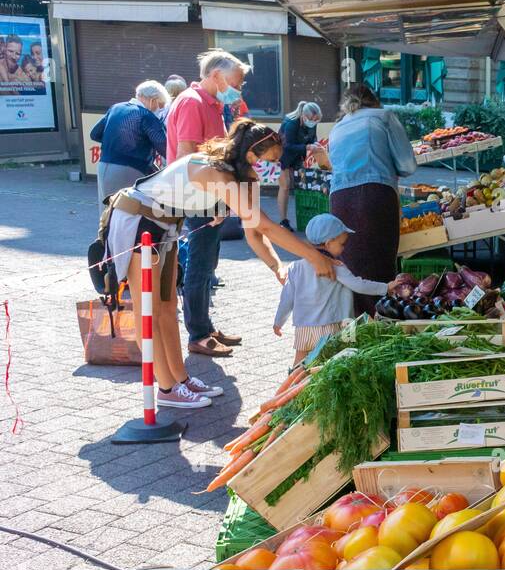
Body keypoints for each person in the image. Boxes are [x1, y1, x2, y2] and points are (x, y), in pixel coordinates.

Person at [103, 119, 338, 407]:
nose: (273, 168)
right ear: (252, 152)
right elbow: (264, 226)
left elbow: (253, 232)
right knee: (148, 310)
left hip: (165, 227)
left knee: (166, 308)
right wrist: (312, 255)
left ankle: (180, 379)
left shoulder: (245, 176)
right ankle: (166, 389)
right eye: (271, 160)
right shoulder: (214, 171)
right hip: (138, 221)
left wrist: (277, 266)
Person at [168, 48, 249, 357]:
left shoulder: (210, 104)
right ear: (216, 76)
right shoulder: (192, 102)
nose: (238, 89)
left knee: (207, 265)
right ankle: (199, 334)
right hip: (198, 198)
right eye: (236, 82)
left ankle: (204, 326)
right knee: (200, 267)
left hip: (208, 197)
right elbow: (187, 157)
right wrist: (209, 202)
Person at [327, 83, 416, 315]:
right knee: (379, 263)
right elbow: (407, 165)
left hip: (340, 201)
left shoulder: (337, 128)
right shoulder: (383, 116)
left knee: (352, 267)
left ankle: (355, 325)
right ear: (374, 100)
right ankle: (381, 322)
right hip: (375, 195)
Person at [274, 213, 388, 366]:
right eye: (342, 244)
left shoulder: (295, 267)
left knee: (299, 364)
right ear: (328, 243)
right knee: (334, 365)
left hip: (304, 327)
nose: (343, 248)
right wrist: (386, 287)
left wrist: (278, 322)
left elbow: (286, 298)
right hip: (333, 326)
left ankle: (291, 388)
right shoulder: (335, 266)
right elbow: (359, 285)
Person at [90, 80, 169, 204]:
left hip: (104, 165)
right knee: (126, 211)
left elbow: (94, 134)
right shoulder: (146, 116)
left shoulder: (116, 108)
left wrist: (115, 142)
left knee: (107, 211)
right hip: (130, 169)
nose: (161, 108)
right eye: (160, 104)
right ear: (152, 99)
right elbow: (165, 148)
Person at [277, 101, 322, 228]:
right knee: (285, 186)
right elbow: (287, 145)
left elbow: (313, 137)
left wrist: (315, 144)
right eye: (312, 120)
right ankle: (283, 220)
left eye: (317, 120)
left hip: (297, 155)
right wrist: (308, 146)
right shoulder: (291, 123)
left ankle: (306, 217)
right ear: (304, 116)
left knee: (301, 184)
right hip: (282, 155)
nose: (314, 122)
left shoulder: (312, 122)